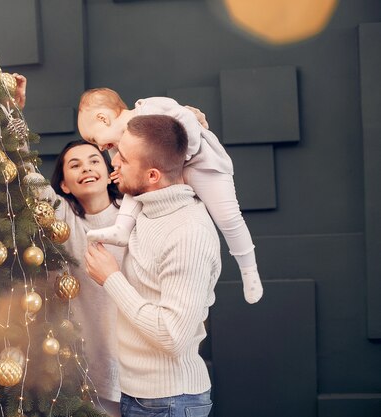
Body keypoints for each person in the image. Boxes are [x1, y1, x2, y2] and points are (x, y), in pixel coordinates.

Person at [85, 114, 220, 417]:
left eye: (124, 158)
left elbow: (173, 337)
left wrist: (112, 279)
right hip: (136, 395)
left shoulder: (188, 233)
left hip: (170, 401)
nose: (113, 162)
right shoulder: (144, 207)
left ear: (153, 176)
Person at [78, 88, 263, 304]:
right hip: (167, 172)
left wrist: (178, 154)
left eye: (94, 138)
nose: (99, 146)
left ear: (104, 118)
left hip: (201, 162)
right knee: (133, 187)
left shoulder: (149, 108)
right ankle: (122, 228)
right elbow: (125, 171)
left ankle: (249, 270)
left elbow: (187, 119)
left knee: (229, 217)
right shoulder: (118, 144)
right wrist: (121, 171)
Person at [25, 140, 124, 417]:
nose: (86, 168)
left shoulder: (134, 214)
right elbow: (29, 175)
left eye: (94, 161)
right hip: (90, 373)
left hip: (143, 373)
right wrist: (10, 110)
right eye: (75, 165)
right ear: (65, 185)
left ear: (109, 172)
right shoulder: (64, 220)